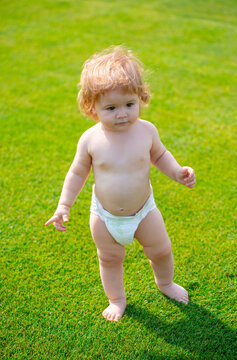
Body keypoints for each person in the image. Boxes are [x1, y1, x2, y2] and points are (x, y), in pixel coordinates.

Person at [45, 46, 196, 322]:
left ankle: (165, 283)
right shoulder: (91, 140)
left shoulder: (146, 131)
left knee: (161, 250)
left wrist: (177, 172)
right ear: (93, 108)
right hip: (105, 217)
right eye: (111, 108)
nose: (122, 114)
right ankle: (116, 299)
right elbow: (77, 173)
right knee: (110, 259)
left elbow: (159, 155)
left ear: (141, 98)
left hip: (144, 211)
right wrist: (64, 205)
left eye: (129, 104)